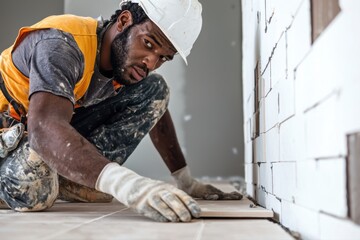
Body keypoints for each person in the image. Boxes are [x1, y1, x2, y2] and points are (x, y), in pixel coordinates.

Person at [0, 0, 242, 222]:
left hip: (41, 128)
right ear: (124, 21)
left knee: (154, 89)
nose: (151, 62)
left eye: (163, 58)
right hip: (13, 131)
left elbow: (155, 111)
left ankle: (67, 178)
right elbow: (43, 129)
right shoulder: (61, 45)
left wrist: (185, 180)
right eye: (148, 44)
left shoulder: (123, 64)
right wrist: (124, 183)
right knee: (31, 190)